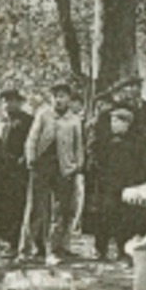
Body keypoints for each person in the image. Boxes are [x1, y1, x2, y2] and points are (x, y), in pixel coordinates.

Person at [88, 107, 146, 262]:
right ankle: (101, 249)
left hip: (127, 186)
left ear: (127, 123)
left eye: (117, 121)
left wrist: (137, 180)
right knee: (104, 217)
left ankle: (123, 250)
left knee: (125, 219)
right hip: (107, 186)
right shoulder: (105, 142)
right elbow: (96, 160)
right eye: (112, 121)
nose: (113, 125)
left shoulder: (137, 143)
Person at [24, 81, 85, 266]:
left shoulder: (74, 120)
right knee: (37, 207)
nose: (58, 100)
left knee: (62, 209)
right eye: (55, 96)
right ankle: (33, 248)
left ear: (68, 99)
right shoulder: (43, 115)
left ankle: (56, 248)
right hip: (42, 166)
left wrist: (77, 165)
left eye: (62, 96)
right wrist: (31, 159)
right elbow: (32, 138)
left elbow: (78, 146)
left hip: (64, 168)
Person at [0, 89, 34, 257]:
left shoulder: (27, 121)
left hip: (19, 170)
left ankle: (16, 242)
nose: (7, 104)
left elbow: (32, 143)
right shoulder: (2, 122)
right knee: (3, 206)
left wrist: (24, 160)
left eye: (11, 101)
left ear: (19, 102)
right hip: (2, 170)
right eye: (4, 101)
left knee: (17, 205)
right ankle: (6, 242)